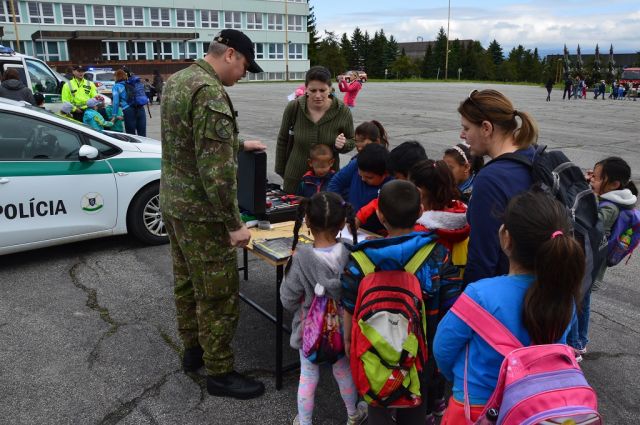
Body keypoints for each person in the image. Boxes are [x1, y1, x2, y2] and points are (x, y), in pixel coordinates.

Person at [159, 29, 267, 400]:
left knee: (187, 283)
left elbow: (188, 137)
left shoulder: (179, 80)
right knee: (218, 294)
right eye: (245, 66)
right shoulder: (209, 92)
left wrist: (237, 142)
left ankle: (193, 351)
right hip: (202, 215)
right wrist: (234, 224)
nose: (244, 74)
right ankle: (219, 372)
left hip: (175, 204)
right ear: (230, 54)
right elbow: (217, 174)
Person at [434, 191, 585, 423]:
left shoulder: (479, 295)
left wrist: (456, 379)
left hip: (474, 409)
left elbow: (443, 350)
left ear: (506, 237)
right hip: (532, 409)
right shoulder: (564, 297)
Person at [341, 180, 449, 425]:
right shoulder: (436, 255)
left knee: (376, 399)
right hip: (422, 348)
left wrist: (348, 340)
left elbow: (349, 304)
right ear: (421, 212)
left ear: (380, 215)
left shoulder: (361, 259)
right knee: (416, 401)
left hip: (373, 347)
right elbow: (449, 304)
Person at [280, 192, 367, 425]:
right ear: (343, 223)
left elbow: (287, 299)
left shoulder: (301, 258)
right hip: (343, 328)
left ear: (307, 221)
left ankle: (305, 422)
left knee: (308, 377)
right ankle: (353, 415)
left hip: (310, 329)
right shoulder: (351, 253)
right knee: (343, 371)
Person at [458, 89, 538, 285]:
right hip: (538, 284)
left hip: (506, 287)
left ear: (486, 128)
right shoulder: (531, 154)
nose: (462, 135)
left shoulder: (491, 180)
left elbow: (482, 259)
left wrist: (470, 299)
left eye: (466, 128)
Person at [569, 157, 638, 360]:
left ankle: (574, 346)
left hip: (589, 265)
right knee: (583, 301)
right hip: (592, 265)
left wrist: (586, 195)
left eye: (597, 178)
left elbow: (589, 223)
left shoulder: (610, 208)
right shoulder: (615, 200)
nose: (592, 180)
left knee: (574, 302)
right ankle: (581, 341)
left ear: (614, 184)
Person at [275, 65, 355, 194]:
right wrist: (280, 170)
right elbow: (282, 139)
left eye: (322, 90)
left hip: (328, 183)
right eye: (313, 90)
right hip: (295, 179)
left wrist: (343, 144)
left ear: (330, 89)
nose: (318, 95)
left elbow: (352, 140)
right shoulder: (294, 107)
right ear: (306, 89)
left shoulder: (342, 111)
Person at [334, 143, 392, 233]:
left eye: (369, 177)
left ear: (385, 174)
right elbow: (335, 183)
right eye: (360, 175)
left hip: (377, 232)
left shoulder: (392, 184)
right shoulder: (356, 164)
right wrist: (340, 207)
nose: (363, 179)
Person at [112, 69, 147, 137]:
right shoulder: (132, 83)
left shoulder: (116, 86)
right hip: (140, 108)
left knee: (131, 135)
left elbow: (116, 102)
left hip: (128, 110)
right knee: (142, 134)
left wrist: (114, 115)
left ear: (116, 77)